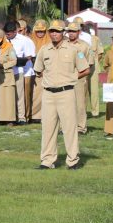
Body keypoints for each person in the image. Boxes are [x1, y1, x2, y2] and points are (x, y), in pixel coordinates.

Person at [36, 19, 91, 169]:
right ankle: (47, 161)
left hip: (66, 92)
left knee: (69, 128)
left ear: (63, 33)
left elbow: (85, 69)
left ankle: (73, 160)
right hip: (48, 94)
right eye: (52, 31)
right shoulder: (44, 50)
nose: (54, 34)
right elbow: (38, 69)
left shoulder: (74, 50)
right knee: (48, 128)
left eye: (57, 31)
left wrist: (71, 78)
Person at [3, 20, 34, 125]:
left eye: (10, 33)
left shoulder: (24, 40)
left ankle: (21, 117)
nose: (8, 35)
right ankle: (9, 117)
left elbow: (30, 55)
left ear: (15, 31)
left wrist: (20, 60)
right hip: (5, 72)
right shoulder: (2, 40)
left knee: (19, 95)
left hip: (18, 70)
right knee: (8, 95)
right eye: (6, 33)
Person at [0, 28, 18, 123]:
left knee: (8, 99)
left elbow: (14, 61)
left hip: (7, 76)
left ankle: (10, 120)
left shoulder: (9, 47)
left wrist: (3, 65)